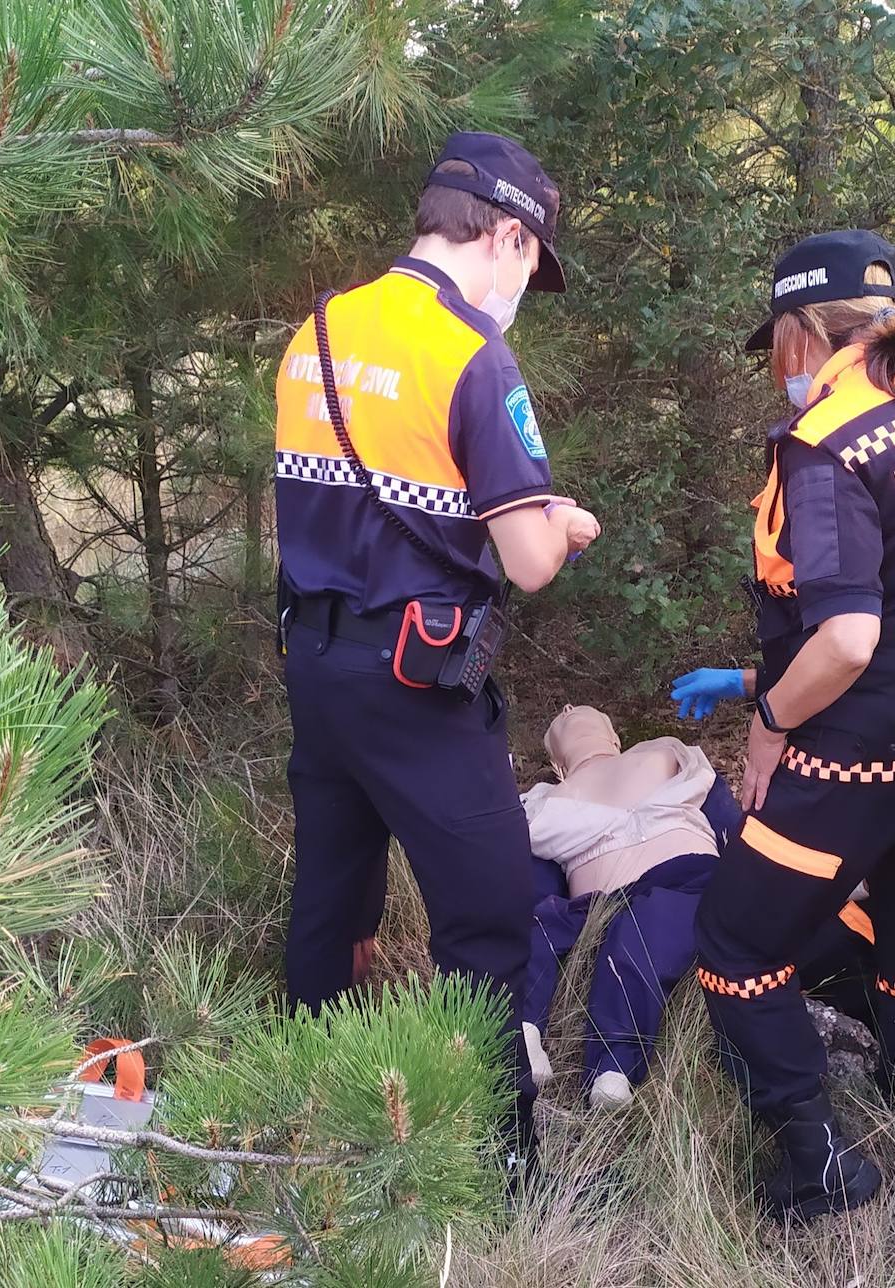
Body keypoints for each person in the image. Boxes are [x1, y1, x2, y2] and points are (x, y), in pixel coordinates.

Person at [273, 131, 600, 1175]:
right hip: (418, 683)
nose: (522, 289)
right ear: (505, 234)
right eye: (527, 264)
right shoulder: (471, 352)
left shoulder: (317, 331)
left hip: (317, 669)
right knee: (491, 913)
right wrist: (568, 522)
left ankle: (310, 1123)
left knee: (332, 896)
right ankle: (500, 1162)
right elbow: (531, 559)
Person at [674, 229, 895, 1221]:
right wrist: (748, 673)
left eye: (774, 347)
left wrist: (769, 719)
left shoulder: (827, 442)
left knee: (735, 946)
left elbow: (854, 637)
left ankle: (816, 1168)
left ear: (797, 332)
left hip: (852, 755)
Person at [516, 705, 738, 1110]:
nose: (569, 711)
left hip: (683, 879)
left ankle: (610, 1066)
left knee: (637, 941)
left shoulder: (669, 753)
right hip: (606, 901)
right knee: (555, 928)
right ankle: (531, 1032)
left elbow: (733, 830)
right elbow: (536, 895)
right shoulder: (542, 803)